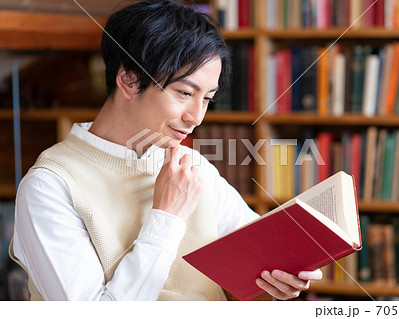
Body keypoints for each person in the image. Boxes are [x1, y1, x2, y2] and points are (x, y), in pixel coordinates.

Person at [10, 0, 322, 301]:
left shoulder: (191, 166)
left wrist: (282, 276)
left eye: (207, 99)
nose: (195, 117)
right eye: (185, 93)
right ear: (129, 80)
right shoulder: (50, 185)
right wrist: (166, 217)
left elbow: (257, 248)